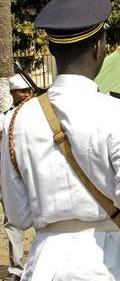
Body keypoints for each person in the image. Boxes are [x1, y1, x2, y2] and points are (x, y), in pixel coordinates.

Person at [0, 0, 120, 281]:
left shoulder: (16, 120)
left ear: (51, 50)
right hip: (112, 265)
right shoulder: (119, 113)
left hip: (46, 264)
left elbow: (18, 216)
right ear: (99, 47)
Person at [0, 74, 32, 281]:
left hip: (34, 174)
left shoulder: (38, 114)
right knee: (13, 220)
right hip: (11, 175)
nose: (27, 95)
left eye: (29, 90)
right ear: (12, 93)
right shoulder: (5, 117)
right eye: (22, 91)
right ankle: (17, 267)